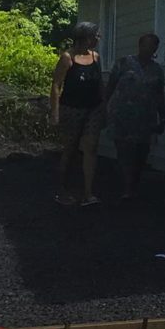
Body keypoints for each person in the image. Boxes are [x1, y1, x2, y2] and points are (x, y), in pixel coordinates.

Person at [104, 33, 165, 200]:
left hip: (145, 120)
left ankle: (134, 185)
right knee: (124, 152)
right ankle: (127, 189)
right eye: (146, 45)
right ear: (139, 45)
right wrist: (103, 110)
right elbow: (110, 87)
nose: (149, 49)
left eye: (153, 46)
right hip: (122, 117)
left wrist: (163, 117)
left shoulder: (156, 70)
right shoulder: (123, 63)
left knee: (141, 154)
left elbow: (160, 95)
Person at [51, 21, 105, 206]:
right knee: (70, 149)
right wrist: (55, 112)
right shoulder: (68, 58)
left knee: (91, 147)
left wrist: (104, 106)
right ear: (87, 38)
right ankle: (61, 188)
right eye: (96, 36)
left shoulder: (95, 57)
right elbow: (56, 85)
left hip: (93, 108)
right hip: (72, 108)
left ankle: (88, 193)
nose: (98, 39)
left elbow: (99, 84)